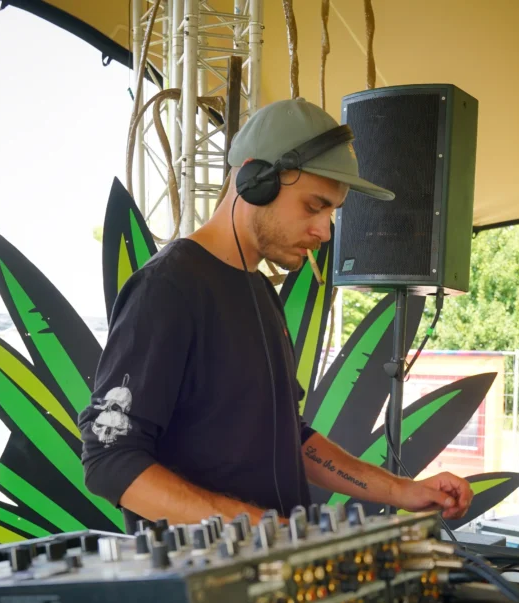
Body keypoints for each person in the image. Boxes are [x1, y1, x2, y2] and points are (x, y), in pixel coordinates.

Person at [79, 97, 474, 532]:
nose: (324, 231)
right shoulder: (168, 288)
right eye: (313, 206)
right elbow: (109, 458)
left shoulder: (261, 292)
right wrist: (265, 531)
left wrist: (400, 490)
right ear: (255, 180)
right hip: (213, 573)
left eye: (331, 212)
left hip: (275, 566)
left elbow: (290, 438)